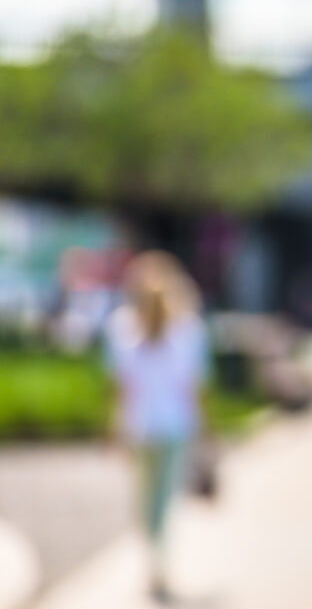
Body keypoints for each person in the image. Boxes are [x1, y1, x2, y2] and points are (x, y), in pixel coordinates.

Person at [105, 251, 209, 603]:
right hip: (174, 425)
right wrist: (207, 430)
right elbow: (193, 388)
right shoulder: (188, 329)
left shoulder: (122, 327)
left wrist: (113, 427)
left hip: (139, 425)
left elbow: (121, 388)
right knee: (163, 500)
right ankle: (158, 564)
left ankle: (153, 562)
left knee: (144, 498)